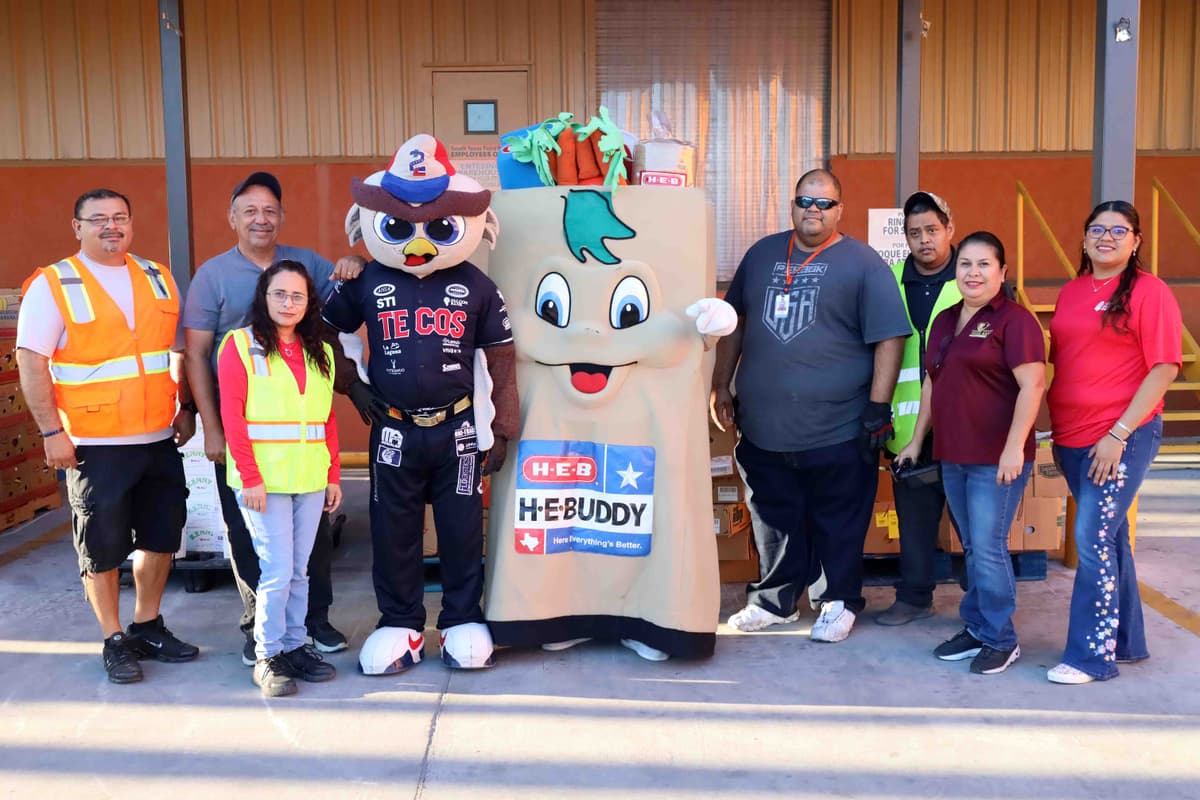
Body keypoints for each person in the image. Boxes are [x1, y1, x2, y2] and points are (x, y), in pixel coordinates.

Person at [324, 134, 520, 674]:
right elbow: (319, 336)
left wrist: (502, 427)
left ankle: (461, 619)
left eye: (435, 228)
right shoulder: (363, 279)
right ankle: (401, 624)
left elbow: (501, 357)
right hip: (391, 430)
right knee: (393, 533)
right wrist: (352, 383)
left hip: (456, 432)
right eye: (399, 227)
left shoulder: (478, 285)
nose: (417, 245)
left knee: (460, 530)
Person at [712, 168, 910, 643]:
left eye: (824, 203)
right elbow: (733, 322)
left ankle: (837, 601)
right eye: (805, 201)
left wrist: (878, 408)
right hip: (765, 426)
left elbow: (890, 337)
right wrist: (721, 384)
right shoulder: (761, 255)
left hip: (837, 426)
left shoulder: (863, 263)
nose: (813, 211)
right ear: (793, 205)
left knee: (837, 518)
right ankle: (775, 601)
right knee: (773, 516)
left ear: (840, 209)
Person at [16, 188, 198, 684]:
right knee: (101, 544)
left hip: (158, 437)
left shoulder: (157, 276)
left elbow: (175, 350)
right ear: (77, 227)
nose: (110, 226)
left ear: (132, 223)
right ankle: (113, 637)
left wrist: (183, 405)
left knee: (162, 535)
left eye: (119, 217)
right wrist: (51, 431)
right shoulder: (54, 284)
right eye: (97, 219)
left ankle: (147, 624)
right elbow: (31, 362)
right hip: (94, 443)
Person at [183, 172, 363, 666]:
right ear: (233, 218)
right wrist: (210, 428)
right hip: (244, 438)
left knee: (307, 550)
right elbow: (196, 354)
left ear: (281, 217)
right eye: (249, 210)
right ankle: (259, 630)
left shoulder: (307, 265)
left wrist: (354, 260)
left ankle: (308, 626)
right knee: (254, 543)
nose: (260, 219)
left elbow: (351, 290)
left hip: (302, 458)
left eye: (269, 211)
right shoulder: (213, 277)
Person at [1044, 201, 1182, 685]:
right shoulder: (1072, 292)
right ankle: (1126, 641)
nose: (1106, 237)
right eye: (1096, 229)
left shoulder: (1150, 292)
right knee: (1111, 535)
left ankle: (1090, 656)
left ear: (1136, 241)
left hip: (1121, 437)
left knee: (1093, 539)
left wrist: (1118, 434)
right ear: (1082, 240)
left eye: (1118, 230)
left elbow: (1164, 367)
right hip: (1071, 439)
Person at [898, 231, 1045, 675]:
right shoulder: (944, 320)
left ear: (1002, 272)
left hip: (996, 458)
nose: (973, 273)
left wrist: (1014, 446)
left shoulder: (1014, 321)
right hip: (954, 454)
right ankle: (979, 627)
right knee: (974, 546)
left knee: (989, 546)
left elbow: (1033, 385)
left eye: (984, 264)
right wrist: (916, 438)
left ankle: (1001, 638)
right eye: (965, 264)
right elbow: (931, 383)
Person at [219, 261, 343, 697]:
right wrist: (249, 476)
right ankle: (267, 653)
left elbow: (326, 420)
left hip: (309, 477)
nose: (288, 303)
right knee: (276, 570)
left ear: (309, 302)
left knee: (300, 570)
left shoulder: (321, 352)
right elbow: (232, 418)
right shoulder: (239, 346)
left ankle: (294, 645)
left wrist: (333, 475)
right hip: (262, 482)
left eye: (297, 296)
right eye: (280, 294)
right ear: (264, 296)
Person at [876, 191, 962, 626]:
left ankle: (984, 604)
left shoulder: (974, 275)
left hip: (965, 431)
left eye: (932, 230)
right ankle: (913, 598)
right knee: (914, 525)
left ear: (950, 228)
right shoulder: (888, 279)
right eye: (915, 233)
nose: (924, 240)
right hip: (908, 430)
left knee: (974, 529)